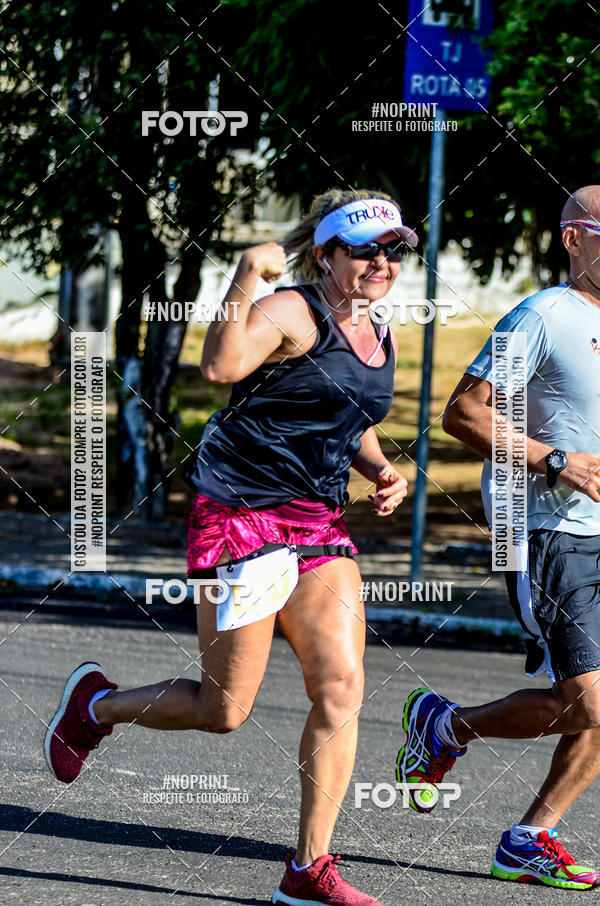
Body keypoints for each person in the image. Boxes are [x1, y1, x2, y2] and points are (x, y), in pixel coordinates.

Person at [45, 188, 417, 905]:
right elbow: (220, 366)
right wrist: (247, 277)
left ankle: (308, 872)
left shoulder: (378, 326)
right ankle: (96, 707)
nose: (382, 262)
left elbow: (347, 411)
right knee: (225, 710)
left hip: (317, 524)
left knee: (342, 685)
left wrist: (377, 467)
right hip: (242, 516)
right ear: (326, 255)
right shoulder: (290, 311)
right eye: (365, 249)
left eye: (394, 249)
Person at [396, 184, 600, 891]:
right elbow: (463, 414)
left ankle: (528, 838)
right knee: (592, 703)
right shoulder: (544, 315)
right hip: (547, 528)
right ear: (574, 238)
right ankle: (447, 728)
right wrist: (558, 460)